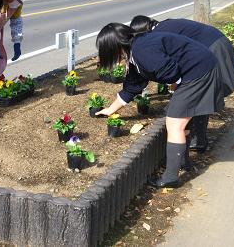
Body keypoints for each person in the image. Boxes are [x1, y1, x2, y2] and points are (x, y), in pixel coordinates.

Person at [95, 23, 224, 188]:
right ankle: (183, 162)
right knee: (182, 118)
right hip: (198, 68)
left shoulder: (141, 49)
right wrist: (110, 110)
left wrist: (175, 87)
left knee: (174, 123)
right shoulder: (134, 51)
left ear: (113, 46)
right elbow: (133, 86)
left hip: (199, 71)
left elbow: (170, 71)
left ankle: (171, 177)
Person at [130, 16, 234, 152]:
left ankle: (198, 141)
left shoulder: (158, 33)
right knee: (200, 96)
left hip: (212, 49)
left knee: (200, 96)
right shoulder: (164, 26)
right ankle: (198, 140)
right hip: (216, 43)